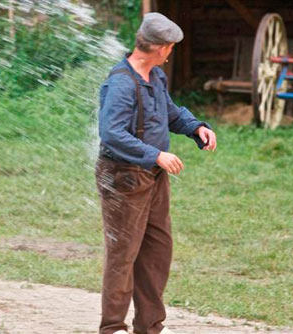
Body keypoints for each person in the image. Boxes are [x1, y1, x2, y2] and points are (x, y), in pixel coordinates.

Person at [95, 12, 217, 334]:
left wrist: (196, 128)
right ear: (161, 48)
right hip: (123, 178)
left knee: (157, 252)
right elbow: (111, 134)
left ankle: (149, 327)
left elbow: (170, 113)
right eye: (171, 47)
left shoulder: (156, 77)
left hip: (152, 177)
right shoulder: (122, 83)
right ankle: (112, 328)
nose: (171, 52)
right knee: (123, 256)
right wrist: (156, 155)